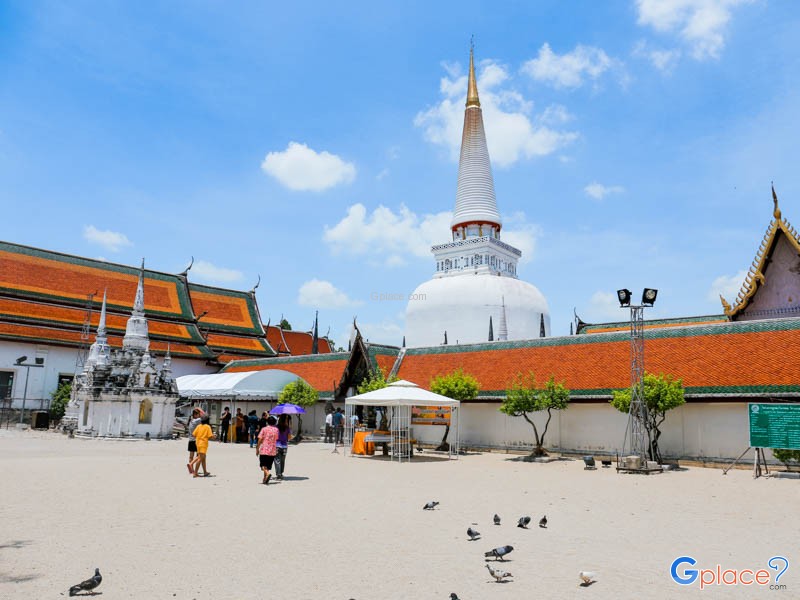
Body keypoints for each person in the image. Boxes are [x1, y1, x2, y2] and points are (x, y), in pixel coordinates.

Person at [257, 415, 279, 485]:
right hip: (272, 450)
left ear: (267, 422)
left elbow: (260, 439)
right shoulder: (276, 430)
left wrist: (257, 448)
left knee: (263, 465)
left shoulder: (264, 429)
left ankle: (267, 474)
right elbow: (276, 438)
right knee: (267, 466)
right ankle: (265, 478)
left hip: (264, 450)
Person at [275, 414, 293, 480]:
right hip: (284, 446)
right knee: (282, 460)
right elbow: (289, 438)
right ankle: (281, 473)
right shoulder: (287, 428)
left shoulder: (276, 427)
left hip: (277, 445)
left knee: (277, 460)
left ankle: (278, 474)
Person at [186, 407, 204, 473]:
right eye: (198, 414)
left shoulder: (191, 421)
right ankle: (192, 466)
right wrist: (200, 409)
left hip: (190, 440)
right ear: (196, 415)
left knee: (191, 456)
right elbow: (205, 416)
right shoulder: (197, 420)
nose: (199, 415)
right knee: (199, 456)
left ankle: (191, 470)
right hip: (196, 440)